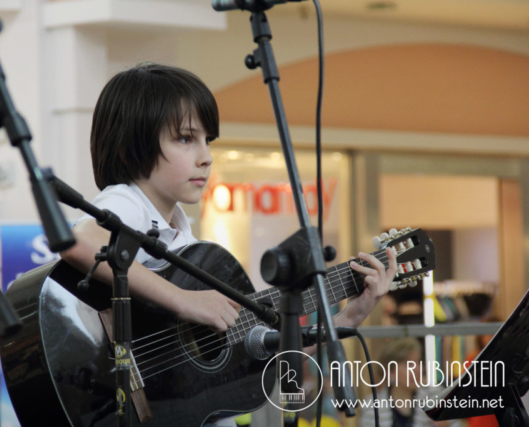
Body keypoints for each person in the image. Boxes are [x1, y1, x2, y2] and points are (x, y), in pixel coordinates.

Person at [60, 62, 397, 426]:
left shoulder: (183, 237)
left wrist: (348, 316)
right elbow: (79, 241)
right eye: (186, 139)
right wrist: (185, 301)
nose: (205, 156)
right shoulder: (127, 201)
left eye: (208, 141)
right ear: (132, 147)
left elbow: (258, 355)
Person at [359, 338, 462, 427]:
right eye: (409, 365)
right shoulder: (372, 406)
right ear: (390, 371)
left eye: (418, 362)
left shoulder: (436, 397)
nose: (418, 369)